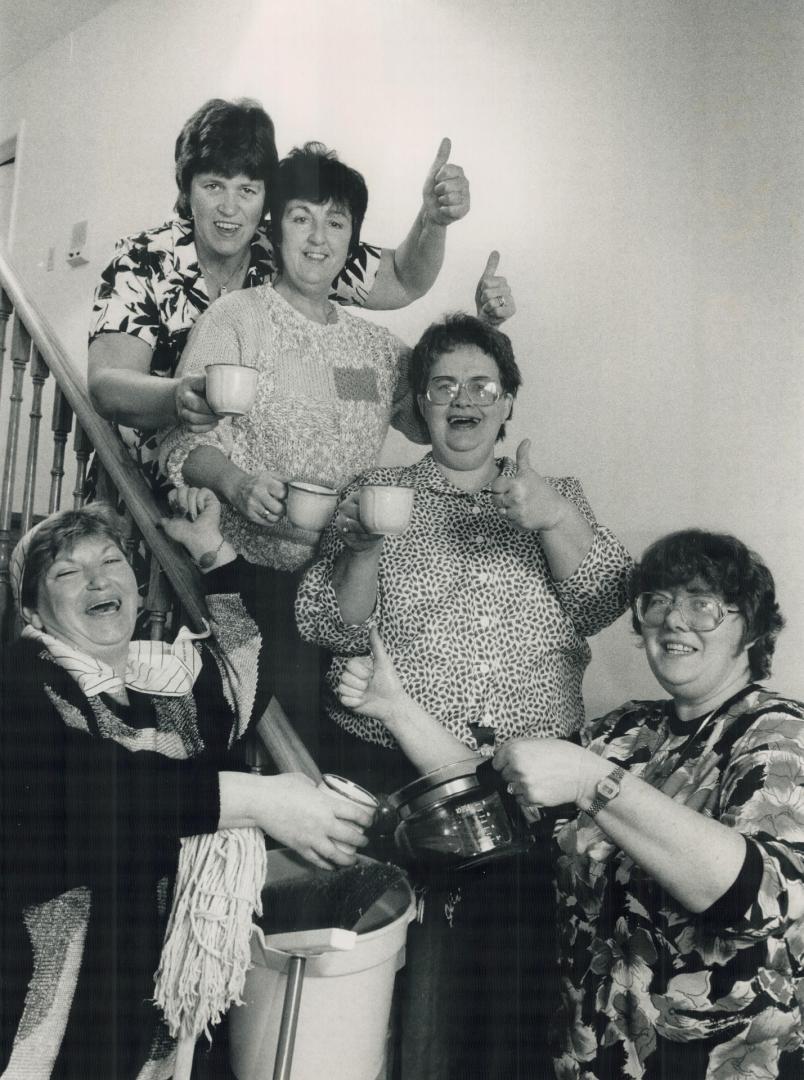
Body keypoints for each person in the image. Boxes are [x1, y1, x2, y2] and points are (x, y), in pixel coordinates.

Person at [296, 313, 632, 1079]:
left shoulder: (554, 493)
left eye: (483, 383)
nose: (463, 398)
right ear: (419, 403)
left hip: (536, 785)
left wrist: (549, 517)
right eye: (442, 384)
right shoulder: (379, 490)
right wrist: (369, 546)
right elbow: (325, 621)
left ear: (509, 400)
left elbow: (610, 598)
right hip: (405, 779)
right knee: (413, 1001)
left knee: (517, 1002)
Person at [0, 490, 373, 1079]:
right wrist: (254, 800)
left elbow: (252, 665)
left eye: (111, 562)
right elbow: (79, 794)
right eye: (68, 573)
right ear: (33, 615)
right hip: (40, 1000)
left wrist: (214, 553)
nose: (98, 581)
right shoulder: (21, 685)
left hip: (140, 993)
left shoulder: (162, 689)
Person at [159, 146, 513, 748]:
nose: (318, 239)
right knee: (268, 733)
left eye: (337, 222)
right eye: (301, 218)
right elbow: (178, 443)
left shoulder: (376, 350)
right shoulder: (237, 318)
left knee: (339, 739)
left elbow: (445, 418)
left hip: (346, 581)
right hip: (247, 574)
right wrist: (236, 484)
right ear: (275, 228)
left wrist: (484, 331)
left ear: (353, 241)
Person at [489, 529, 804, 1078]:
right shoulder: (624, 731)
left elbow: (757, 901)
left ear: (749, 627)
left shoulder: (776, 734)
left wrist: (595, 783)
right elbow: (502, 780)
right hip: (593, 1055)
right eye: (657, 601)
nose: (673, 619)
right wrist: (393, 706)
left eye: (702, 604)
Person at [87, 97, 476, 491]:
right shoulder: (142, 259)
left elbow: (404, 278)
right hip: (137, 484)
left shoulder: (286, 248)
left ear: (265, 198)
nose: (229, 207)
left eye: (248, 190)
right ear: (187, 189)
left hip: (241, 500)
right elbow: (107, 385)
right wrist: (179, 396)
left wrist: (434, 219)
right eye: (213, 186)